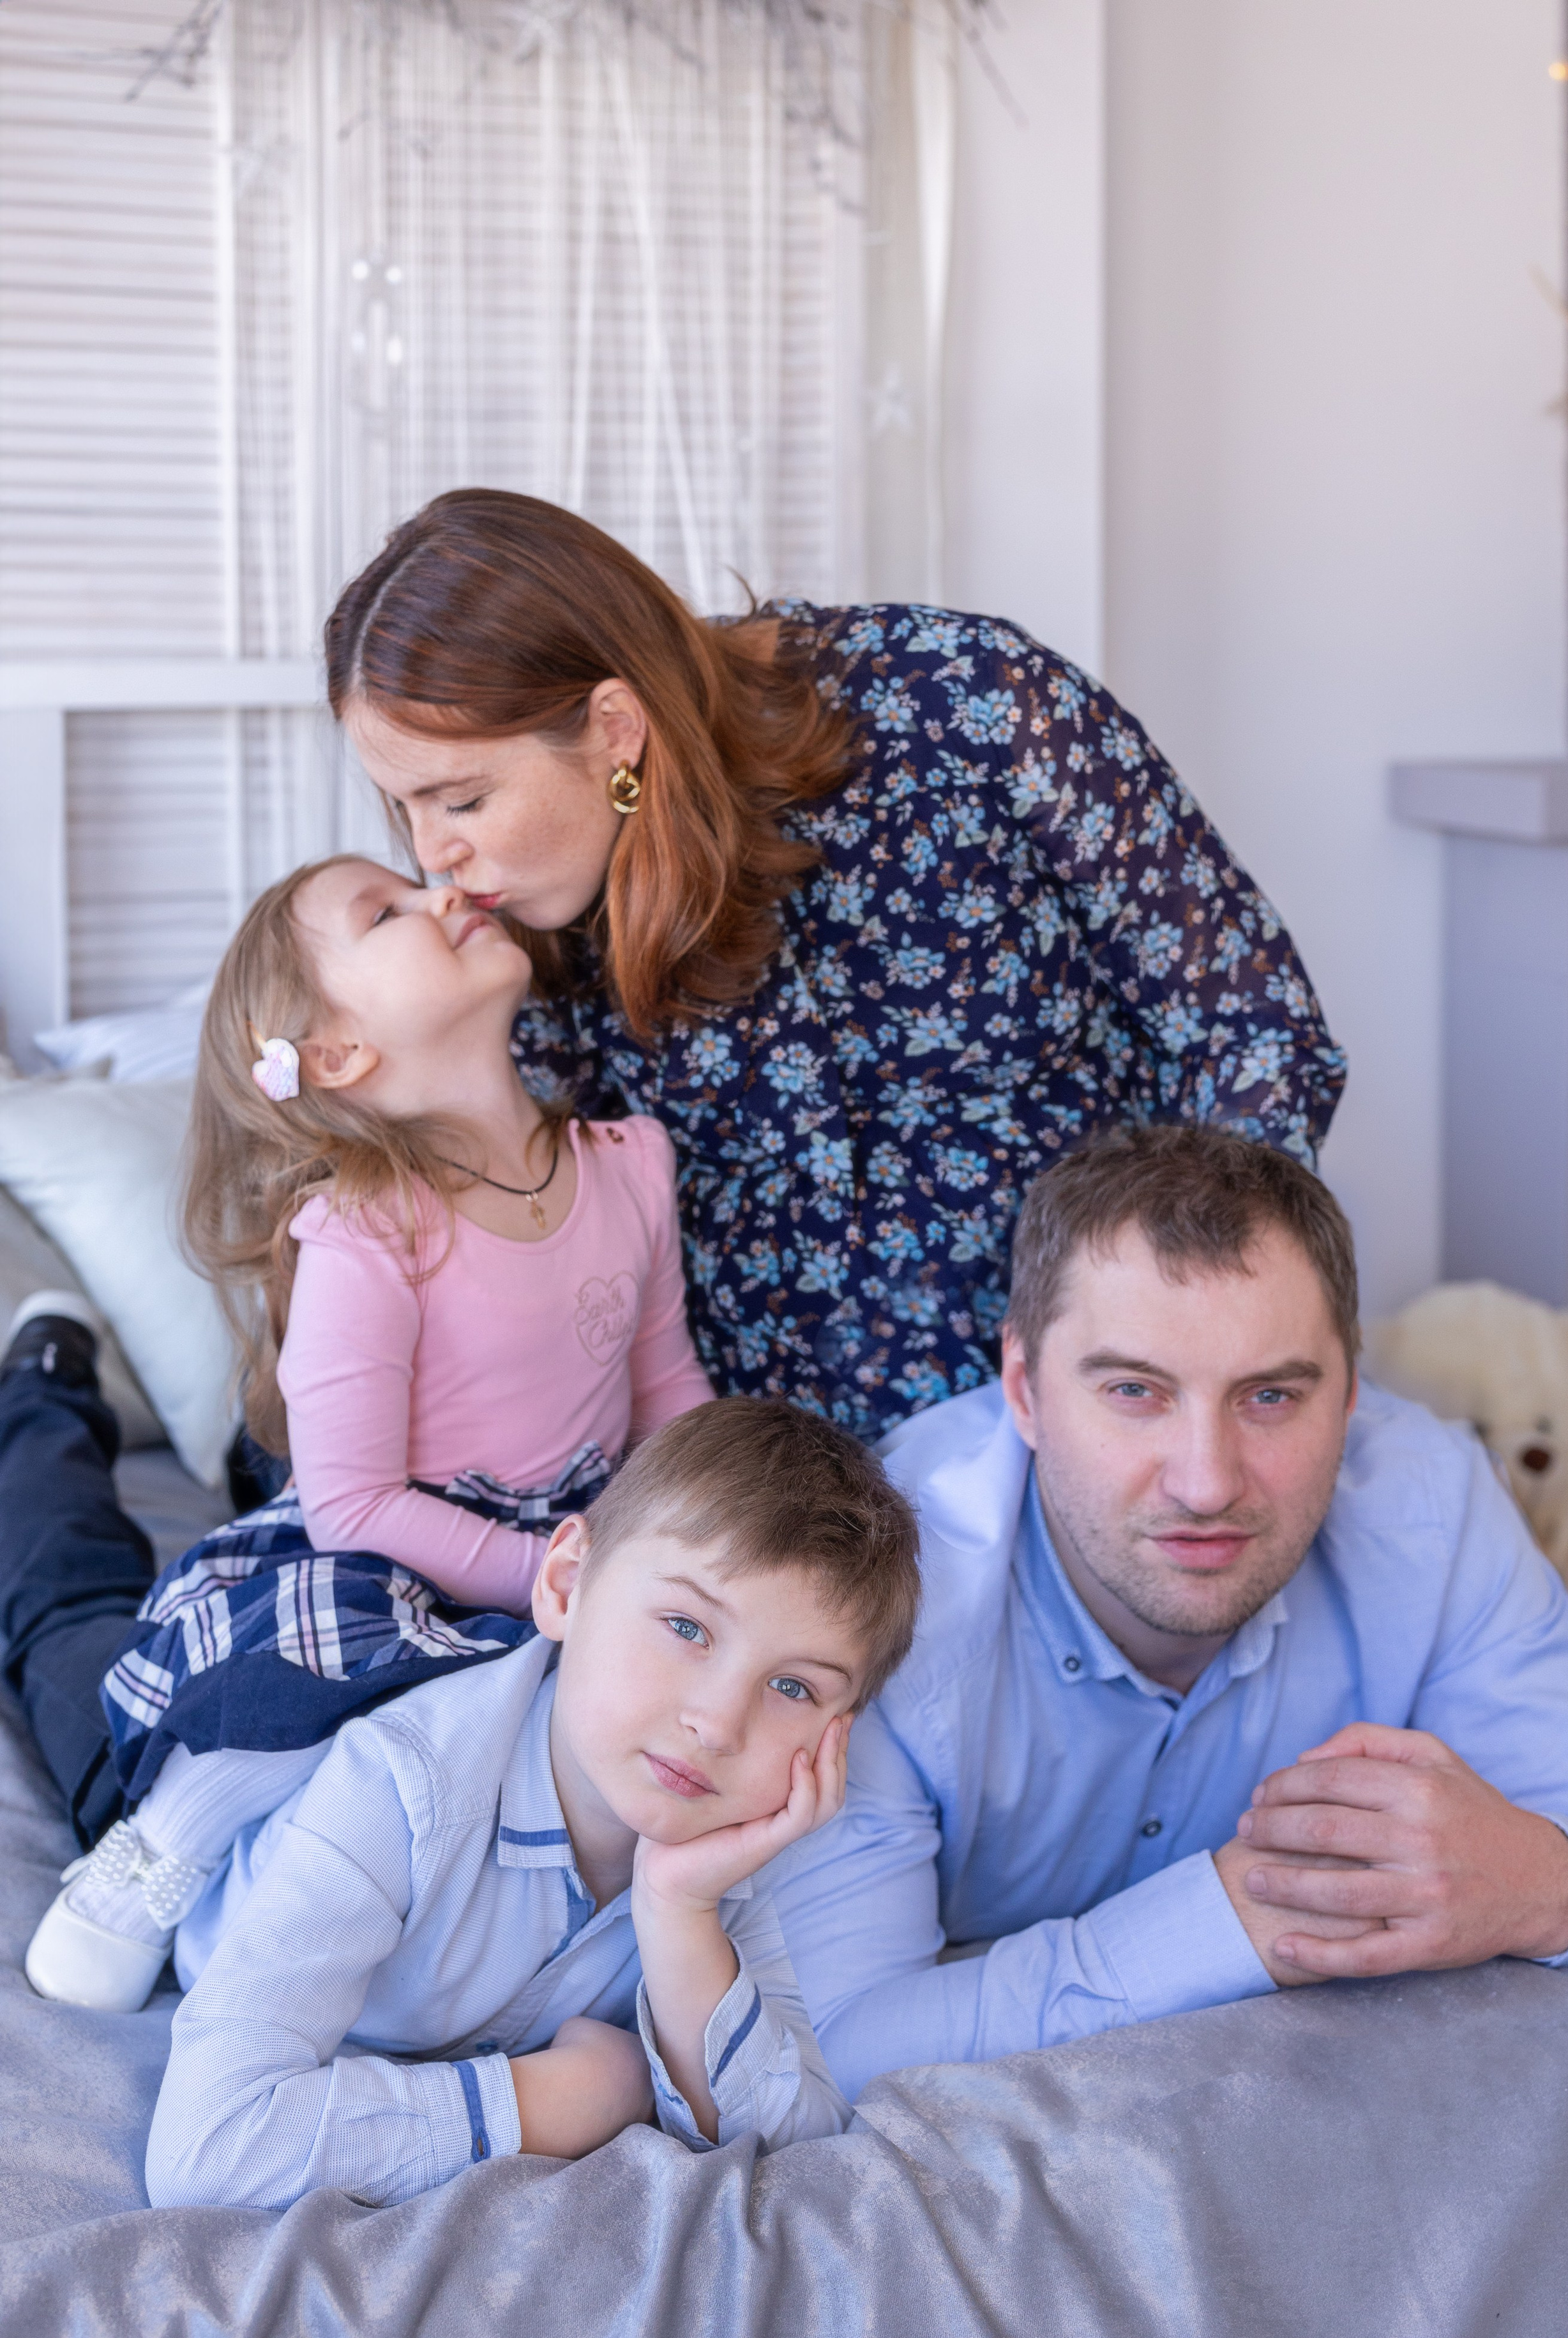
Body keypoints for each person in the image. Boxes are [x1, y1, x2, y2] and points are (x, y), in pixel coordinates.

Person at [326, 489, 1348, 1438]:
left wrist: (1183, 1353)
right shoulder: (514, 926)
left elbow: (1248, 1025)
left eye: (461, 801)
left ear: (613, 730)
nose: (431, 857)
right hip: (770, 1504)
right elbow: (534, 1225)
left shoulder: (969, 703)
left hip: (1086, 1427)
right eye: (403, 805)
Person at [765, 1127, 1568, 2098]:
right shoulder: (878, 1585)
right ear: (1024, 1391)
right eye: (1135, 1392)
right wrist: (1226, 1921)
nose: (1207, 1484)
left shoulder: (1430, 1505)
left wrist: (1545, 1880)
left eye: (1270, 1398)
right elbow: (822, 2049)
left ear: (1349, 1395)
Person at [17, 850, 713, 2012]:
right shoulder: (367, 1227)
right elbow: (352, 1506)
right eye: (388, 909)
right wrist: (552, 1577)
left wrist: (701, 1543)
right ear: (337, 1053)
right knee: (315, 1690)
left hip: (568, 1550)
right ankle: (160, 1842)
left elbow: (669, 1393)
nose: (449, 887)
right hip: (391, 1552)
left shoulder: (628, 1166)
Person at [144, 1400, 920, 2212]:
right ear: (564, 1586)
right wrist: (554, 2098)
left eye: (792, 1687)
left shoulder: (723, 1854)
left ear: (839, 1734)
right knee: (60, 1612)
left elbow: (802, 2161)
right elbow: (208, 2151)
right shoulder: (401, 1785)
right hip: (219, 1718)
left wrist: (679, 1910)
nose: (719, 1726)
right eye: (686, 1626)